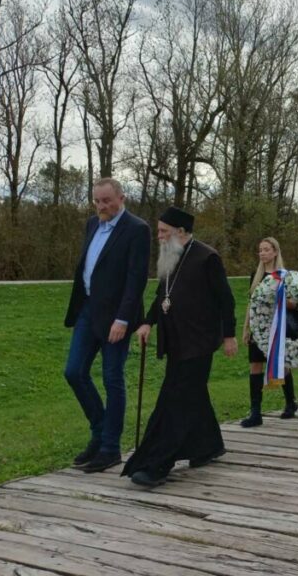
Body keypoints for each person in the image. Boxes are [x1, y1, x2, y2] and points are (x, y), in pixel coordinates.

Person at [122, 207, 236, 487]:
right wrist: (148, 322)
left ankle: (157, 463)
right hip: (175, 341)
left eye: (164, 231)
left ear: (181, 232)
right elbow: (163, 295)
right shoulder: (170, 255)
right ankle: (207, 446)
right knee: (191, 395)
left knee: (175, 400)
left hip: (199, 342)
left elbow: (226, 300)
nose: (159, 236)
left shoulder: (207, 257)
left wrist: (229, 335)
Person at [63, 178, 150, 473]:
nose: (101, 206)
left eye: (106, 201)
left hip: (116, 317)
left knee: (112, 379)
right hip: (88, 311)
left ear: (121, 198)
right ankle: (99, 433)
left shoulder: (137, 229)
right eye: (97, 201)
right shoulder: (92, 224)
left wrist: (123, 319)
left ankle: (110, 449)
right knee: (74, 372)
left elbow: (136, 279)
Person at [240, 237, 298, 428]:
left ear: (275, 252)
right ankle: (256, 412)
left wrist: (280, 299)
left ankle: (290, 402)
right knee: (255, 366)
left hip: (278, 327)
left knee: (282, 365)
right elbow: (251, 303)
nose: (263, 253)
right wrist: (246, 328)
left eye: (266, 249)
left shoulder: (284, 276)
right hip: (258, 328)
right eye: (260, 250)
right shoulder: (255, 276)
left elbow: (295, 303)